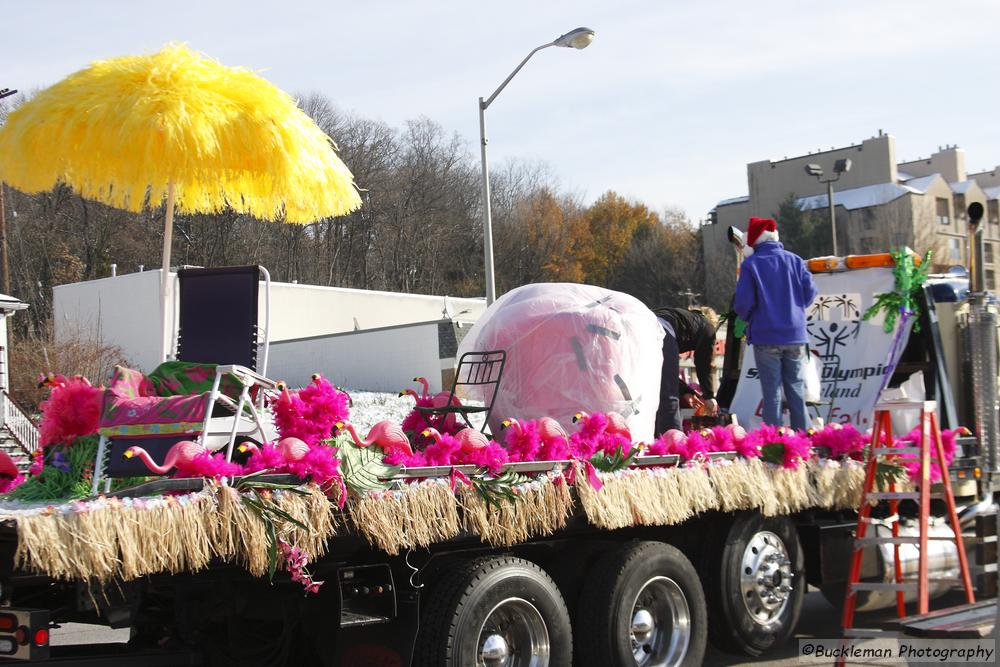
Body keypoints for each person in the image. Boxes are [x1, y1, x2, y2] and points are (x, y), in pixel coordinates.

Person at [733, 216, 817, 431]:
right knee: (796, 390)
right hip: (795, 335)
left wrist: (750, 317)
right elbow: (810, 293)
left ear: (753, 242)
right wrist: (795, 311)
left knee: (772, 394)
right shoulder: (795, 260)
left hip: (766, 336)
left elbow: (743, 303)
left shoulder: (751, 265)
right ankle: (802, 442)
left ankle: (774, 442)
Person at [653, 306, 719, 434]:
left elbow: (666, 374)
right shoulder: (708, 326)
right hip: (660, 331)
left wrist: (684, 391)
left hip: (637, 329)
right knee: (669, 399)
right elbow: (704, 363)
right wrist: (709, 396)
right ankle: (674, 445)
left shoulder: (681, 318)